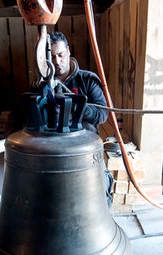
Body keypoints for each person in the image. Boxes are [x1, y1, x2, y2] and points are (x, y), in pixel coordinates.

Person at [48, 30, 113, 206]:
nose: (57, 62)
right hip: (55, 148)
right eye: (52, 57)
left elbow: (102, 114)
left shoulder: (88, 80)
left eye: (61, 55)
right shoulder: (44, 85)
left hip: (86, 147)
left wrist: (77, 108)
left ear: (68, 51)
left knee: (99, 189)